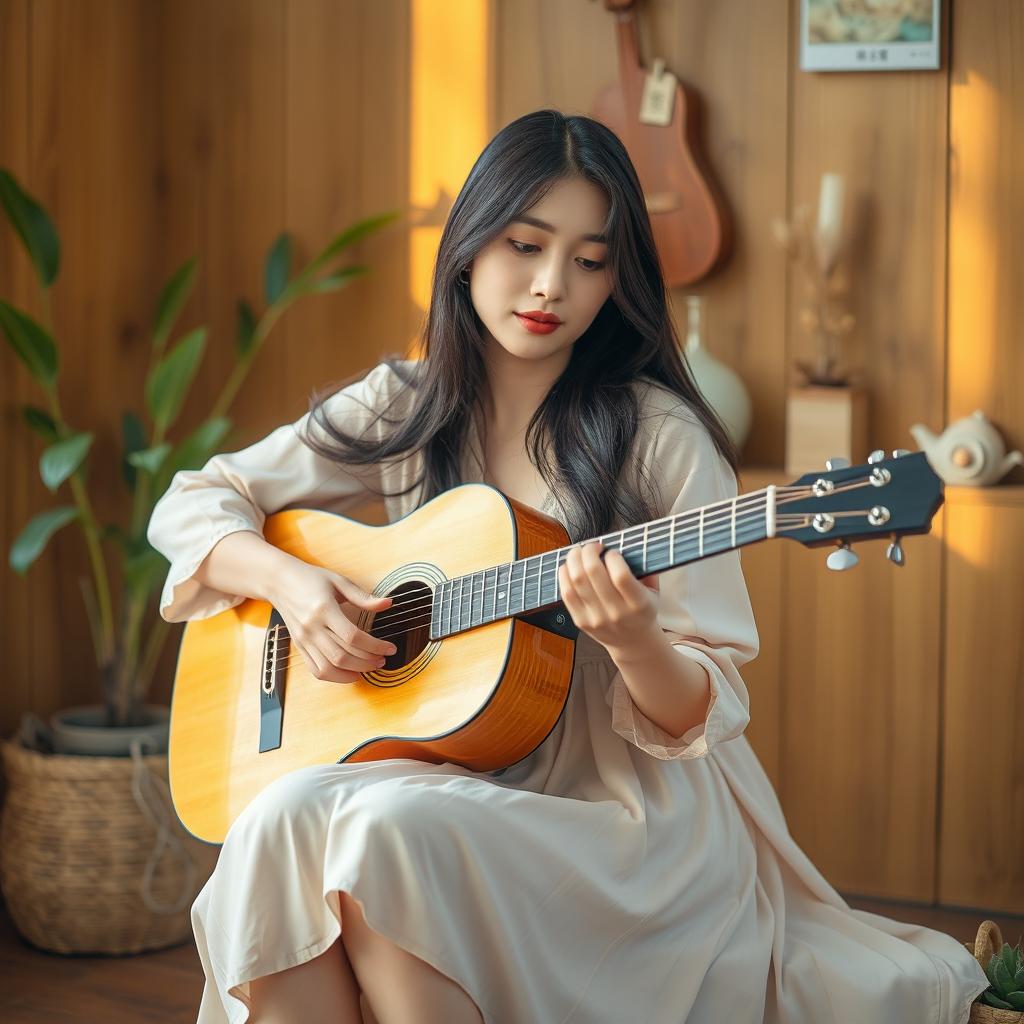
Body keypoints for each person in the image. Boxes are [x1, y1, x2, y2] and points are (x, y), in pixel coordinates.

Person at [147, 109, 988, 1024]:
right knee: (274, 820)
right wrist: (294, 586)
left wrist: (632, 641)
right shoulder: (406, 404)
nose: (552, 284)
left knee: (388, 840)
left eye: (590, 260)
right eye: (525, 244)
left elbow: (702, 708)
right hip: (449, 768)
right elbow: (195, 500)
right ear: (470, 246)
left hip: (626, 815)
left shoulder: (659, 438)